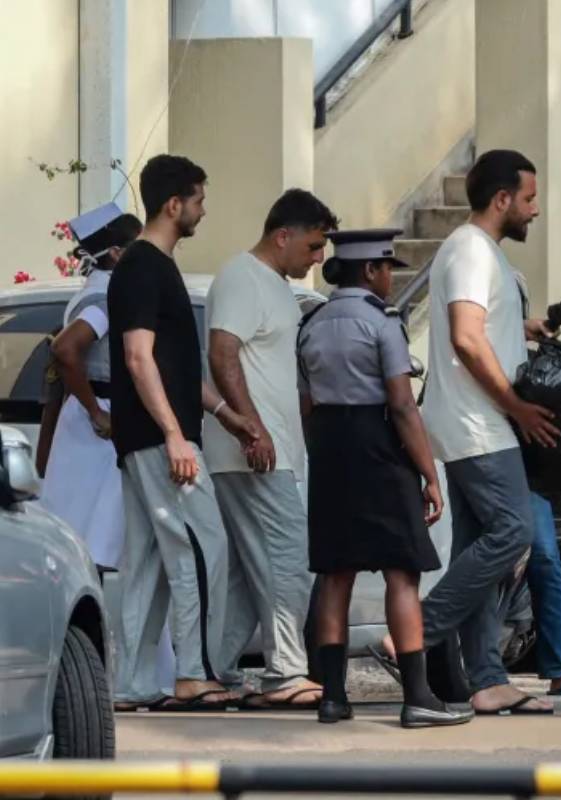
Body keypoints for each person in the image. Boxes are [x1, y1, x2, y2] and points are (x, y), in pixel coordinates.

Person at [298, 229, 471, 729]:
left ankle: (332, 696)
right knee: (402, 571)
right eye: (388, 268)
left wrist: (324, 452)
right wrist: (429, 473)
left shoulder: (311, 323)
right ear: (371, 270)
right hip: (378, 445)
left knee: (335, 573)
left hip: (329, 447)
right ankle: (418, 696)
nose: (391, 277)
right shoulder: (381, 324)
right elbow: (400, 403)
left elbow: (306, 403)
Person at [108, 154, 259, 712]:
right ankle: (195, 673)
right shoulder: (144, 266)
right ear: (175, 204)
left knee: (147, 563)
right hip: (158, 441)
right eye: (198, 200)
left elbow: (173, 366)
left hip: (148, 438)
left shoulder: (151, 266)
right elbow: (137, 357)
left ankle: (132, 683)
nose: (202, 210)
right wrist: (174, 435)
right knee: (203, 547)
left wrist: (226, 414)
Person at [419, 149, 559, 716]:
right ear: (502, 200)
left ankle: (486, 678)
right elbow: (466, 339)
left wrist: (525, 326)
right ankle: (416, 632)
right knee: (512, 532)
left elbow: (484, 326)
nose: (535, 210)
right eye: (529, 199)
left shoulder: (480, 255)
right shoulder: (471, 250)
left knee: (480, 547)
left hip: (476, 422)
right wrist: (518, 407)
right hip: (480, 424)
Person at [206, 189, 338, 709]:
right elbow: (222, 353)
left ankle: (211, 671)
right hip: (255, 453)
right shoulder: (242, 276)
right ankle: (285, 671)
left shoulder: (277, 287)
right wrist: (251, 429)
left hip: (271, 449)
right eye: (312, 246)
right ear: (282, 236)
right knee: (289, 559)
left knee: (247, 574)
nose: (318, 258)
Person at [41, 204, 177, 699]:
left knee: (99, 557)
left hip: (88, 430)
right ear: (116, 252)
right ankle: (129, 676)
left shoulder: (93, 289)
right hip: (100, 431)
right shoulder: (104, 294)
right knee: (117, 556)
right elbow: (65, 350)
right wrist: (97, 413)